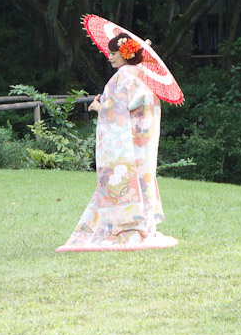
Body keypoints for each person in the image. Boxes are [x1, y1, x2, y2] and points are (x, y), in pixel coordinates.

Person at [56, 33, 178, 252]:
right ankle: (143, 227)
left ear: (125, 54)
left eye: (113, 54)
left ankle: (122, 228)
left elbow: (116, 110)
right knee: (141, 181)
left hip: (126, 141)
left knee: (120, 181)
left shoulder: (122, 76)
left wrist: (97, 107)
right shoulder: (144, 74)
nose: (109, 58)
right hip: (142, 141)